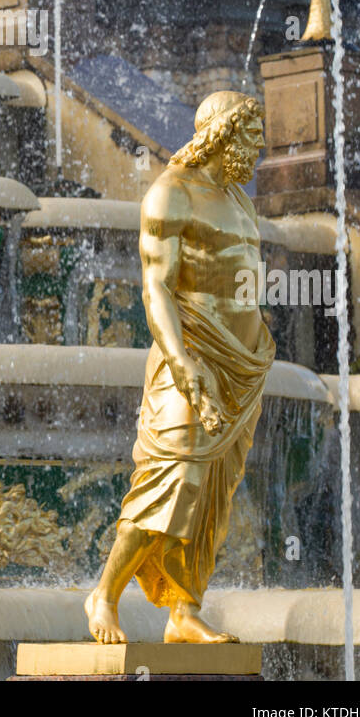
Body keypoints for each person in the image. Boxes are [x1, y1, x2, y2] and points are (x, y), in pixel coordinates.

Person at [86, 91, 274, 645]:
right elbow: (157, 289)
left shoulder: (240, 200)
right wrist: (184, 362)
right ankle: (105, 594)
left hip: (242, 367)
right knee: (173, 481)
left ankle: (184, 610)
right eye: (250, 133)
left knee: (216, 492)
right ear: (219, 134)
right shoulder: (170, 194)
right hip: (186, 360)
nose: (259, 144)